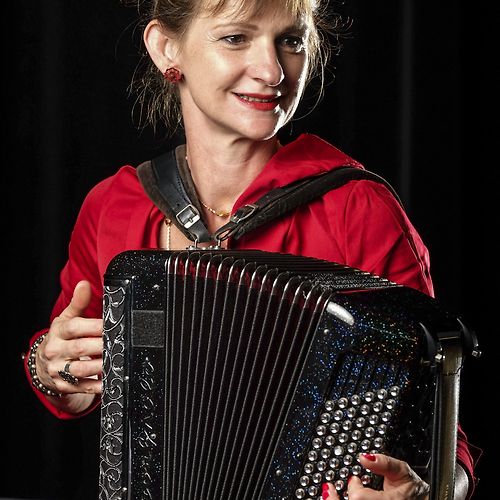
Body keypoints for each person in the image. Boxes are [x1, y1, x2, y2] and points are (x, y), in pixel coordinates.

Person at [23, 0, 476, 498]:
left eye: (291, 40)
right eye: (236, 38)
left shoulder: (358, 209)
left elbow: (444, 436)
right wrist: (50, 366)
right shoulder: (113, 205)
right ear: (165, 47)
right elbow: (71, 383)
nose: (272, 70)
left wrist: (425, 491)